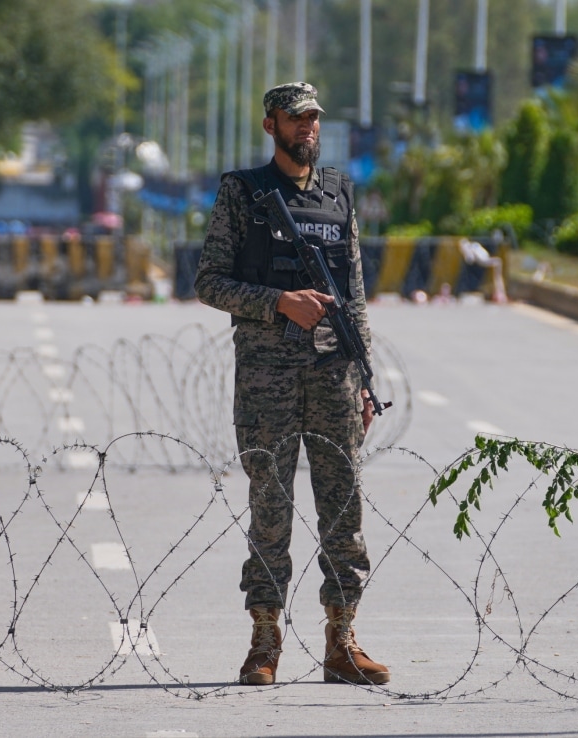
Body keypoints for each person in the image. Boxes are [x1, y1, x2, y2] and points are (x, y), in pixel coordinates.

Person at [195, 82, 389, 686]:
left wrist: (364, 379)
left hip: (334, 375)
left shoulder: (337, 194)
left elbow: (354, 294)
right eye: (295, 118)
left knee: (344, 508)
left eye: (313, 118)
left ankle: (342, 639)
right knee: (271, 508)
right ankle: (264, 639)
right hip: (267, 377)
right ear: (270, 125)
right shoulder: (243, 193)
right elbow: (209, 282)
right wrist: (279, 302)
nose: (307, 127)